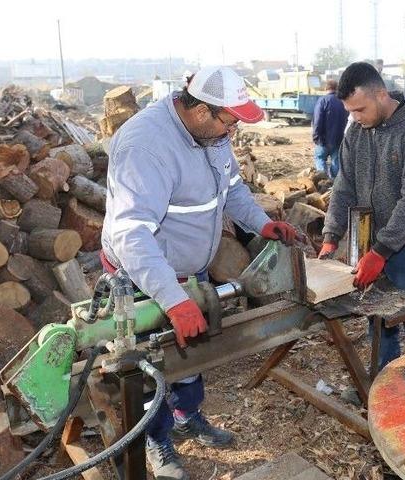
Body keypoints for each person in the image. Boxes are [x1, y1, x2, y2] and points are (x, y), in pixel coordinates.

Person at [100, 66, 298, 480]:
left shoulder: (213, 136)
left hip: (190, 271)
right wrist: (172, 300)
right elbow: (132, 234)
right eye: (229, 121)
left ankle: (188, 416)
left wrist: (260, 224)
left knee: (192, 354)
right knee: (149, 369)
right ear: (202, 110)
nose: (233, 132)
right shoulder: (146, 146)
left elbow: (234, 189)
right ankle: (156, 441)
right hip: (144, 278)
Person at [319, 62, 405, 371]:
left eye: (360, 109)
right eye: (351, 111)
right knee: (377, 321)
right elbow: (344, 185)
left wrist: (382, 250)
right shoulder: (357, 131)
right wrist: (330, 236)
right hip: (376, 242)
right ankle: (379, 382)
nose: (355, 117)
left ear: (380, 94)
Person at [312, 79, 349, 179]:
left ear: (326, 88)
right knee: (336, 162)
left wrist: (316, 137)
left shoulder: (323, 100)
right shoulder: (343, 101)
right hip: (339, 139)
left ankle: (322, 181)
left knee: (320, 159)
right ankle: (335, 185)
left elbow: (317, 120)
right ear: (337, 88)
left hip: (323, 139)